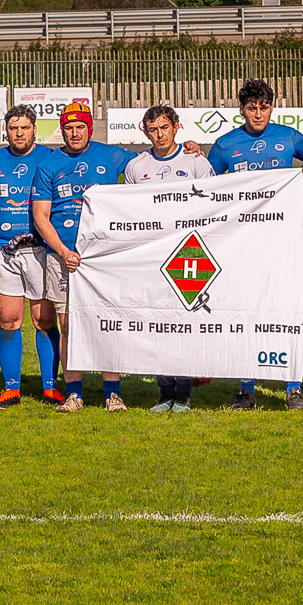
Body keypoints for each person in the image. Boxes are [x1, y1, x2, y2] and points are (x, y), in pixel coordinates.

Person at [208, 78, 303, 410]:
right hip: (242, 243)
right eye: (251, 107)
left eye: (264, 106)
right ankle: (246, 389)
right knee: (245, 311)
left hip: (284, 239)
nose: (258, 113)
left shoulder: (287, 136)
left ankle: (293, 385)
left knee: (289, 310)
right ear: (241, 109)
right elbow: (204, 186)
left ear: (273, 106)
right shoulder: (225, 144)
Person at [31, 98, 135, 413]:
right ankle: (74, 393)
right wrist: (63, 252)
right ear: (61, 131)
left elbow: (152, 166)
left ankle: (112, 393)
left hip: (103, 258)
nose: (75, 133)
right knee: (68, 325)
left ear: (89, 129)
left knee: (106, 322)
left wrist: (188, 150)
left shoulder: (110, 154)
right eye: (69, 128)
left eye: (80, 127)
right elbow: (40, 216)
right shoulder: (48, 164)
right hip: (62, 258)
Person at [124, 105, 215, 412]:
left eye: (164, 127)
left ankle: (184, 393)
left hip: (190, 252)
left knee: (185, 323)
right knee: (156, 322)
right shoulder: (137, 167)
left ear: (177, 126)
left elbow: (214, 204)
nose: (159, 135)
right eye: (153, 129)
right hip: (153, 254)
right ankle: (165, 391)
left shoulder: (196, 161)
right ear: (144, 130)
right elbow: (130, 212)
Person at [0, 105, 64, 409]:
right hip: (2, 250)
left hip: (40, 250)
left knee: (43, 320)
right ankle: (11, 388)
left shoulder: (51, 158)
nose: (19, 133)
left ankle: (50, 387)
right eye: (13, 128)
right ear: (6, 130)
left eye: (24, 127)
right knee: (8, 320)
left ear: (34, 129)